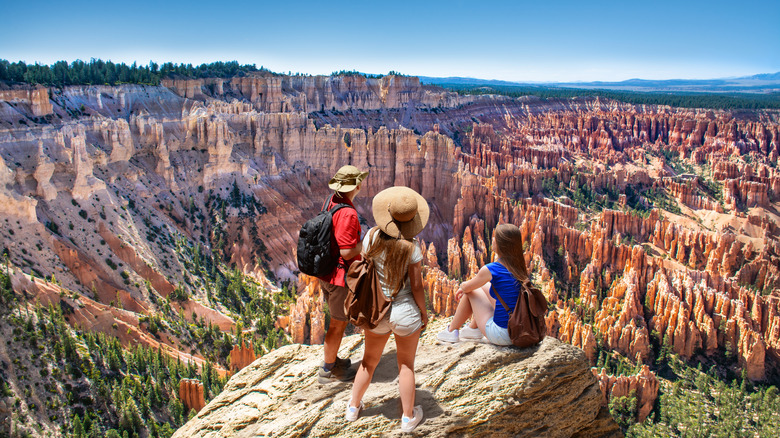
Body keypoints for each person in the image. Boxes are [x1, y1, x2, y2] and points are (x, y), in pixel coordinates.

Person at [345, 186, 429, 433]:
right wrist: (423, 313)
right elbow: (416, 286)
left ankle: (352, 407)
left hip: (377, 311)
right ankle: (408, 418)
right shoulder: (412, 249)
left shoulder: (371, 236)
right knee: (406, 366)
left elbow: (364, 264)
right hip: (405, 314)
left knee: (368, 362)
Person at [317, 165, 368, 384]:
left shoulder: (331, 201)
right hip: (339, 278)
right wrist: (364, 245)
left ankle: (333, 360)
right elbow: (347, 251)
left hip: (326, 272)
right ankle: (327, 371)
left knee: (337, 321)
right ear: (357, 185)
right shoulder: (348, 213)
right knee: (338, 324)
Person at [437, 223, 527, 346]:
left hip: (503, 335)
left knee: (472, 292)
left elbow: (468, 287)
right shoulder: (519, 266)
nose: (492, 239)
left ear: (501, 244)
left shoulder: (492, 269)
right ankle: (472, 329)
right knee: (484, 287)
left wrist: (463, 287)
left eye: (495, 237)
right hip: (521, 330)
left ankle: (452, 331)